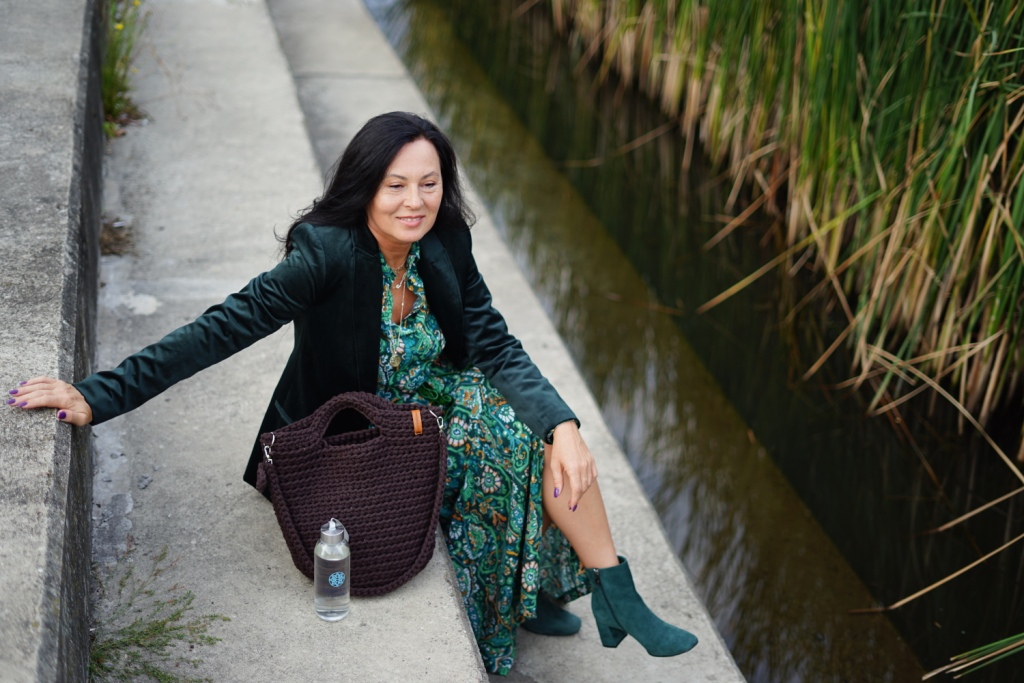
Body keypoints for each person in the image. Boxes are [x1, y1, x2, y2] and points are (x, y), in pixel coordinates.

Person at [8, 112, 697, 674]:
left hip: (430, 398)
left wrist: (565, 426)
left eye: (429, 184)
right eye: (396, 186)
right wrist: (99, 395)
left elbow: (493, 343)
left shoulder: (446, 241)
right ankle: (524, 592)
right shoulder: (325, 253)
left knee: (523, 426)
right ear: (366, 186)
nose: (414, 202)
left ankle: (611, 592)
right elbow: (218, 330)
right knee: (498, 440)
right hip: (355, 426)